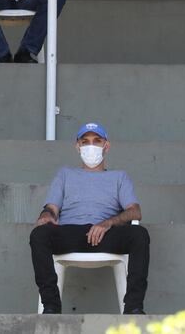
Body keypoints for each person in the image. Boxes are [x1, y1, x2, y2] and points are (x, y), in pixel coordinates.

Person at [30, 123, 149, 315]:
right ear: (78, 147)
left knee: (139, 234)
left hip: (106, 233)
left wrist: (107, 223)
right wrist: (46, 215)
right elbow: (52, 208)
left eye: (96, 141)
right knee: (39, 235)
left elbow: (135, 212)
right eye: (85, 142)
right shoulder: (65, 174)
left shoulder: (119, 177)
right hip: (71, 232)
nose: (90, 146)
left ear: (106, 146)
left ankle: (133, 307)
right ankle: (51, 306)